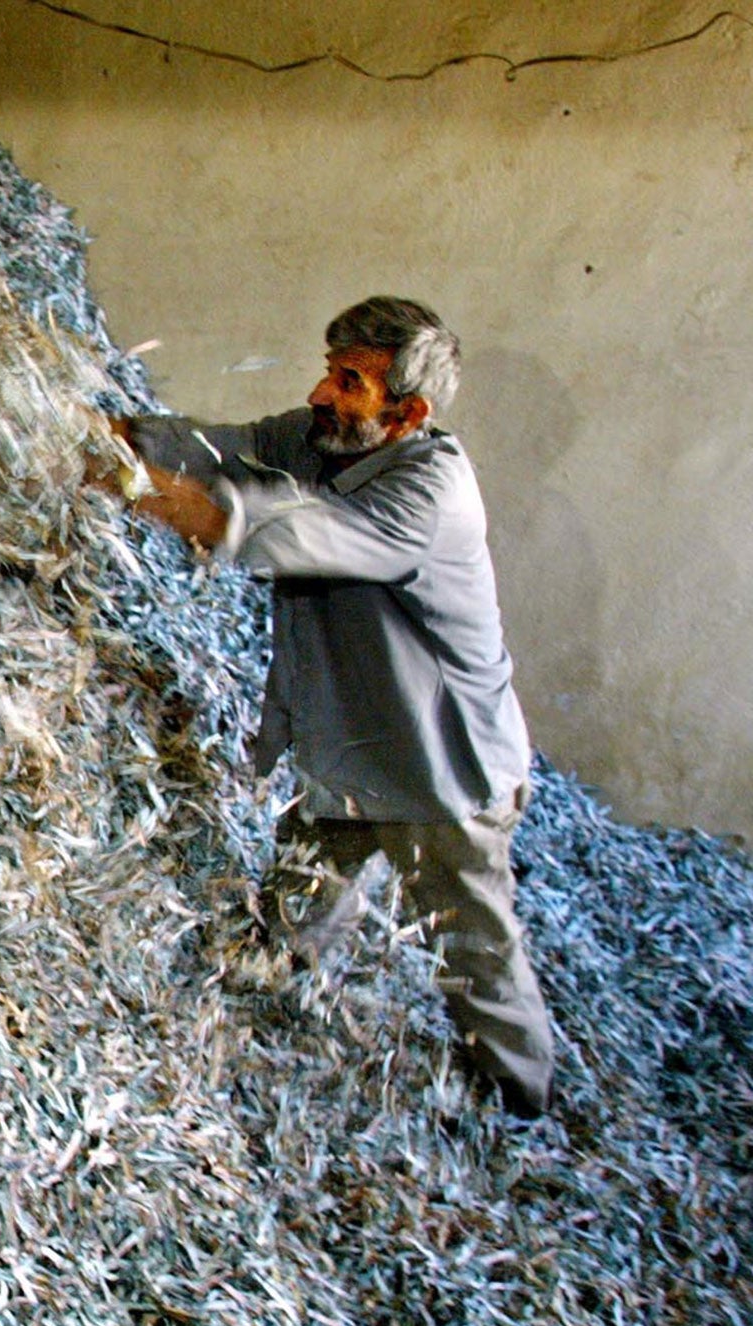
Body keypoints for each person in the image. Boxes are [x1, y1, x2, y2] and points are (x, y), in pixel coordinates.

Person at [112, 296, 556, 1117]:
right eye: (329, 368)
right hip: (346, 747)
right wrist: (112, 432)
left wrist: (152, 494)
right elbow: (225, 449)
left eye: (348, 381)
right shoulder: (321, 438)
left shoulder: (429, 493)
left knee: (474, 950)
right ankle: (276, 1011)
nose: (322, 391)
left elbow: (285, 533)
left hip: (438, 771)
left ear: (407, 412)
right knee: (300, 899)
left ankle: (519, 1100)